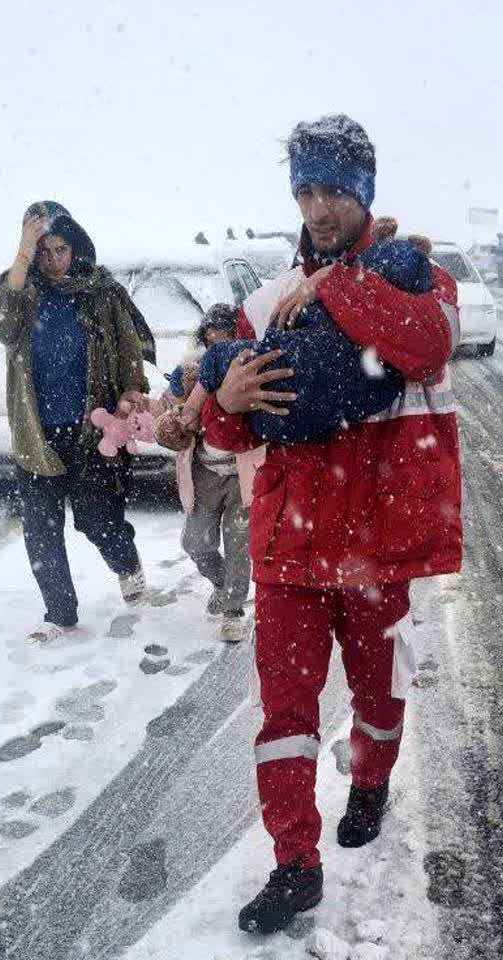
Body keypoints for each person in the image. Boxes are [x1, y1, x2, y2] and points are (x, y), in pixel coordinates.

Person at [203, 115, 463, 934]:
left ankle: (372, 779)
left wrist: (339, 284)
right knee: (285, 717)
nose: (316, 208)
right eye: (304, 190)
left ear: (364, 192)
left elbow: (427, 343)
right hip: (289, 547)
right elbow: (229, 430)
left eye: (333, 191)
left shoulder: (417, 277)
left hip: (378, 548)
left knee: (381, 692)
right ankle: (294, 865)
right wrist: (224, 405)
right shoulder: (261, 300)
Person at [0, 201, 151, 644]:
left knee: (96, 517)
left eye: (61, 249)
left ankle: (126, 562)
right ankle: (60, 612)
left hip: (92, 427)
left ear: (76, 247)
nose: (54, 260)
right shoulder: (22, 295)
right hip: (37, 431)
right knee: (41, 528)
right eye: (44, 252)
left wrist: (133, 388)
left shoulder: (100, 291)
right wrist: (21, 253)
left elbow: (128, 343)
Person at [173, 235, 432, 445]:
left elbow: (432, 350)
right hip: (294, 455)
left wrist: (333, 279)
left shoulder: (414, 302)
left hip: (303, 437)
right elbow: (226, 437)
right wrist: (224, 404)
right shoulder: (265, 302)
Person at [166, 305, 255, 638]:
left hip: (242, 473)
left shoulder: (249, 367)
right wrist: (169, 423)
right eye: (211, 340)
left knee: (238, 545)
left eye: (225, 339)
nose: (217, 348)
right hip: (204, 471)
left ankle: (234, 609)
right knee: (196, 542)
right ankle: (221, 582)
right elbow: (168, 412)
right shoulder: (189, 373)